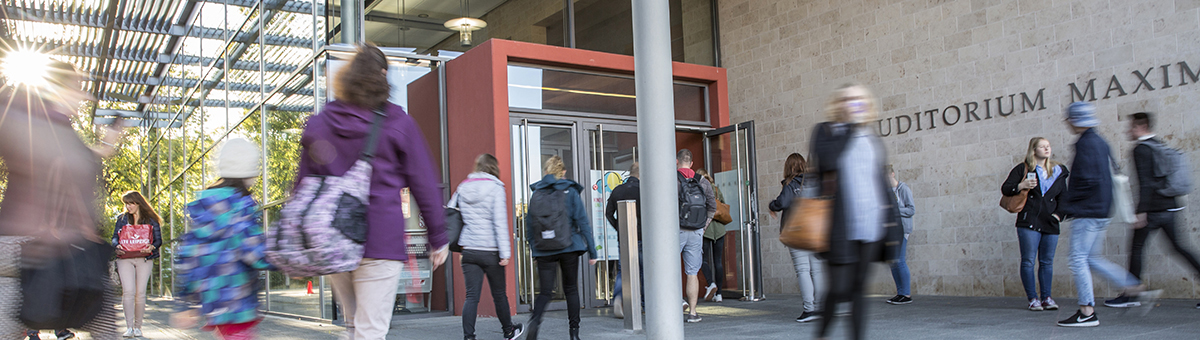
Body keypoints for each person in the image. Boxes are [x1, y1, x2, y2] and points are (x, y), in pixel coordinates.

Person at [295, 43, 449, 339]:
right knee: (371, 331)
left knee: (354, 326)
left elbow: (303, 188)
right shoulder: (397, 123)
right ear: (381, 76)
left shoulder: (321, 123)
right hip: (380, 242)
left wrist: (305, 243)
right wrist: (438, 237)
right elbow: (424, 181)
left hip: (333, 241)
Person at [1, 60, 123, 340]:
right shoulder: (26, 119)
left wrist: (106, 146)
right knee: (104, 327)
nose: (85, 96)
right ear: (56, 89)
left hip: (48, 246)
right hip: (33, 248)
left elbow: (73, 160)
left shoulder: (58, 127)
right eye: (78, 87)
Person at [808, 83, 903, 340]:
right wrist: (849, 128)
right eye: (848, 100)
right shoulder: (826, 131)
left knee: (860, 290)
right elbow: (826, 162)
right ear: (839, 104)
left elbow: (881, 184)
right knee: (838, 289)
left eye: (859, 100)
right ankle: (821, 334)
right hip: (839, 228)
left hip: (871, 227)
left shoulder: (871, 138)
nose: (853, 104)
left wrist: (893, 229)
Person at [1056, 102, 1158, 327]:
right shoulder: (1101, 141)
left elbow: (1087, 180)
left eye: (1069, 119)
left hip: (1088, 211)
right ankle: (1134, 287)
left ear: (1074, 120)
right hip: (1101, 210)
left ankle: (1087, 311)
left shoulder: (1086, 144)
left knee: (1077, 258)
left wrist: (1065, 205)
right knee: (1092, 258)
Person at [172, 138, 275, 340]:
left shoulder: (204, 209)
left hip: (214, 304)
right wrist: (289, 261)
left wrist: (184, 301)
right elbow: (254, 251)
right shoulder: (238, 207)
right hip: (237, 301)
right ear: (250, 173)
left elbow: (188, 256)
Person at [1106, 112, 1200, 309]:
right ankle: (1131, 293)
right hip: (1170, 206)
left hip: (1153, 210)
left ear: (1141, 127)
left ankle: (1131, 294)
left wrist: (1141, 211)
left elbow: (1146, 183)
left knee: (1137, 248)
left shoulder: (1141, 149)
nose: (1128, 130)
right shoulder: (1159, 144)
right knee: (1179, 247)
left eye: (1131, 126)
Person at [524, 156, 598, 340]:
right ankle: (574, 333)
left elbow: (529, 226)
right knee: (571, 289)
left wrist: (535, 248)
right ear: (563, 172)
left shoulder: (537, 193)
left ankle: (534, 322)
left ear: (546, 172)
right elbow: (582, 222)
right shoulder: (570, 191)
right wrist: (592, 250)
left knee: (545, 291)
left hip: (544, 249)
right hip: (569, 246)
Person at [453, 154, 523, 340]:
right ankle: (509, 331)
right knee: (499, 294)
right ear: (493, 168)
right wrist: (505, 253)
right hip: (491, 250)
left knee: (471, 296)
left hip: (469, 249)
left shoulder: (462, 187)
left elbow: (452, 213)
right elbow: (499, 222)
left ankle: (469, 337)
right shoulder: (496, 188)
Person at [1001, 137, 1069, 311]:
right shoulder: (1023, 168)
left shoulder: (1058, 171)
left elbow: (1064, 197)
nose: (1046, 149)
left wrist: (1059, 215)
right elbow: (1006, 188)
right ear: (1034, 150)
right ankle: (1033, 298)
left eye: (1048, 146)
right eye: (1042, 147)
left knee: (1047, 261)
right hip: (1029, 220)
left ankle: (1047, 297)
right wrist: (1021, 185)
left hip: (1051, 222)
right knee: (1029, 261)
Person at [767, 153, 825, 322]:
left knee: (802, 270)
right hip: (815, 232)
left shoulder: (790, 184)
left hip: (797, 232)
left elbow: (782, 203)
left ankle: (809, 309)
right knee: (817, 270)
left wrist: (771, 205)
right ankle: (821, 307)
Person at [111, 191, 163, 338]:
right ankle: (129, 327)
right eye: (126, 204)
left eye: (130, 203)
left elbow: (158, 240)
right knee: (128, 292)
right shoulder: (122, 219)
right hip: (125, 258)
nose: (128, 206)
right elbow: (115, 237)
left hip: (144, 259)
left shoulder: (151, 220)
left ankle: (138, 327)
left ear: (138, 203)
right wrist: (117, 246)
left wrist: (152, 247)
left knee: (140, 293)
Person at [676, 149, 717, 323]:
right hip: (696, 232)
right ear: (692, 163)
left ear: (677, 161)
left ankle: (678, 302)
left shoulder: (672, 179)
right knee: (692, 272)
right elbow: (712, 208)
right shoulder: (703, 181)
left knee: (669, 270)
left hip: (676, 230)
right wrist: (702, 227)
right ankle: (692, 313)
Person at [604, 162, 642, 319]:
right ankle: (644, 304)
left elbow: (608, 213)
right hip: (642, 236)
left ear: (630, 173)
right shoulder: (643, 190)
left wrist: (619, 227)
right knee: (644, 269)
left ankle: (619, 298)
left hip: (625, 236)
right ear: (641, 174)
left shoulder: (617, 190)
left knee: (623, 270)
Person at [886, 165, 916, 305]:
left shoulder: (903, 189)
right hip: (891, 231)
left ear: (892, 174)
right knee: (893, 262)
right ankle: (900, 293)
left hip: (903, 229)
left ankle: (906, 294)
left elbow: (911, 210)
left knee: (900, 260)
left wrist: (895, 209)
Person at [697, 169, 727, 303]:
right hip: (719, 228)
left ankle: (711, 284)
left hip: (706, 228)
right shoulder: (715, 189)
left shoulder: (698, 188)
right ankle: (719, 294)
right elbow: (724, 204)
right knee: (718, 262)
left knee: (702, 260)